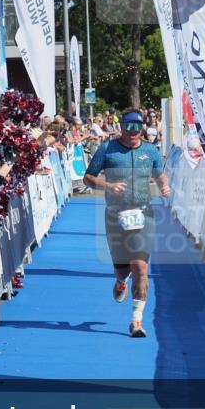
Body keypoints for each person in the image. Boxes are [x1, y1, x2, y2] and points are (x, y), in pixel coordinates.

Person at [83, 108, 170, 338]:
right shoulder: (107, 149)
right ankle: (121, 281)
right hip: (115, 216)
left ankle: (136, 321)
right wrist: (107, 186)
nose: (133, 131)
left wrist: (165, 188)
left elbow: (160, 175)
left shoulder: (151, 150)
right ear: (120, 125)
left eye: (137, 127)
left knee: (140, 266)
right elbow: (88, 177)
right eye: (128, 126)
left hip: (144, 214)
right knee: (123, 268)